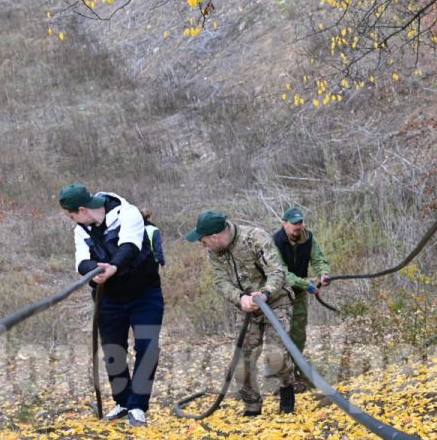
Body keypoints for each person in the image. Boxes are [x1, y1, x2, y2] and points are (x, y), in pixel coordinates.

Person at [59, 183, 165, 427]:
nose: (72, 220)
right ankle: (123, 402)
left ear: (83, 209)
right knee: (113, 351)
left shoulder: (128, 213)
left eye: (71, 214)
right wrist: (93, 270)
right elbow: (81, 260)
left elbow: (129, 246)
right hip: (108, 298)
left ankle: (138, 407)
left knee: (147, 347)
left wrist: (113, 267)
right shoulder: (81, 229)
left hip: (144, 294)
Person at [185, 210, 296, 416]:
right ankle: (252, 406)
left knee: (275, 357)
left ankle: (287, 390)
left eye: (203, 241)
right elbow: (220, 281)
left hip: (276, 302)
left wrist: (265, 293)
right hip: (246, 308)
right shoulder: (214, 252)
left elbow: (277, 271)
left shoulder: (255, 238)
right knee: (242, 361)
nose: (203, 245)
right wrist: (240, 298)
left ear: (215, 237)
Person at [272, 206, 331, 381]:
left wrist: (324, 273)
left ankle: (298, 371)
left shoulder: (308, 238)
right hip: (279, 296)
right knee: (280, 337)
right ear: (284, 223)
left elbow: (318, 259)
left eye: (300, 222)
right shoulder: (274, 242)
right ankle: (280, 376)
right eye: (294, 223)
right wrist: (307, 284)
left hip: (299, 295)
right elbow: (281, 273)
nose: (298, 226)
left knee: (298, 334)